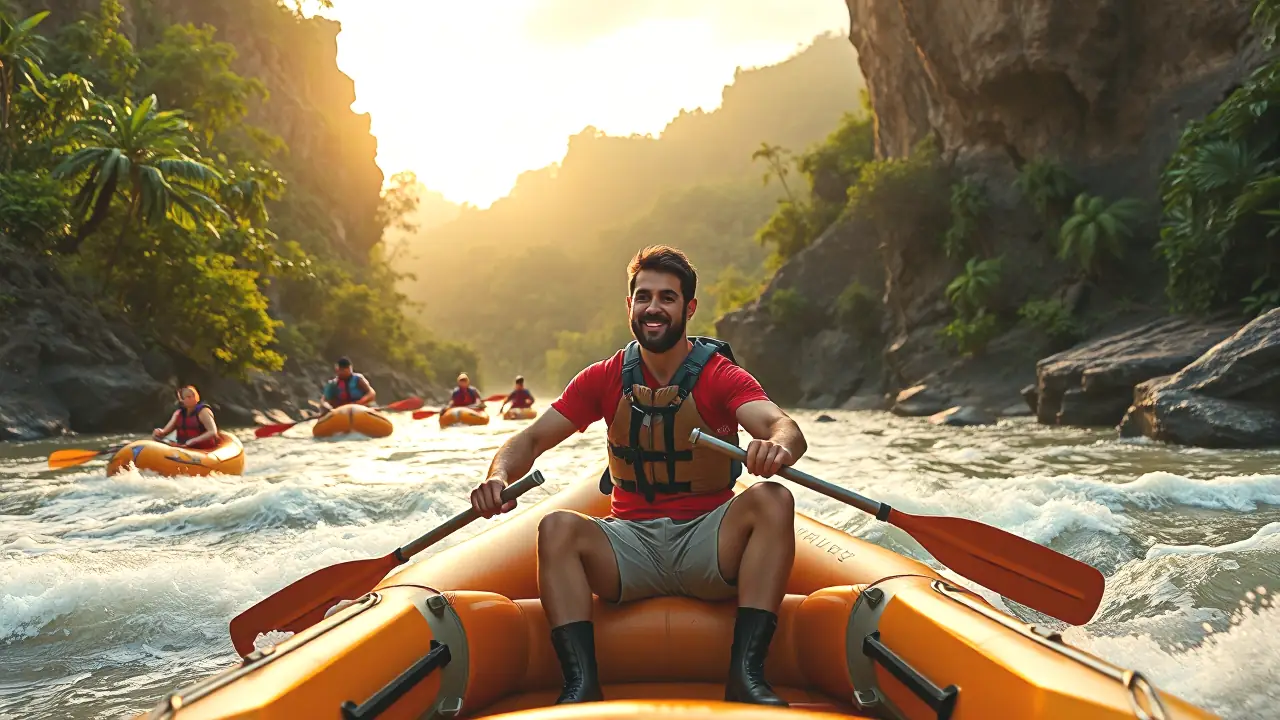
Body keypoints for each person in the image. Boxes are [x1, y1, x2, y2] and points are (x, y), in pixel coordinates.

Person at [470, 245, 806, 706]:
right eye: (644, 296)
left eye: (667, 298)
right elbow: (527, 441)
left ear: (689, 308)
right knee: (556, 528)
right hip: (629, 545)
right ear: (629, 305)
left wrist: (777, 446)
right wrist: (498, 476)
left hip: (708, 543)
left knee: (773, 499)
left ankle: (746, 676)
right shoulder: (604, 377)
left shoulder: (720, 376)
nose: (654, 308)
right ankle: (580, 686)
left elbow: (782, 425)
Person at [154, 386, 219, 450]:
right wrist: (159, 432)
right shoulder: (178, 413)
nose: (180, 401)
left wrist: (193, 441)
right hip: (184, 449)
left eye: (183, 398)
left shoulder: (203, 412)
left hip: (204, 451)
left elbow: (212, 431)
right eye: (180, 398)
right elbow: (165, 431)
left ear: (191, 397)